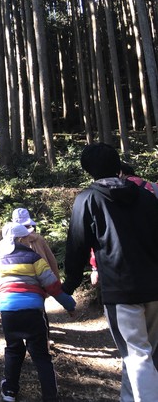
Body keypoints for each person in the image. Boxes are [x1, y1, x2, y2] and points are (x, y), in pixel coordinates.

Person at [63, 142, 158, 401]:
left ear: (88, 170)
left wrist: (68, 285)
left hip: (120, 289)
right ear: (117, 165)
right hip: (154, 287)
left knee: (136, 354)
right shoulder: (148, 197)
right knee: (145, 355)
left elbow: (77, 244)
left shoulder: (88, 199)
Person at [0, 222, 76, 402]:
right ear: (20, 239)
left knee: (13, 350)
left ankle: (9, 392)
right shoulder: (34, 259)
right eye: (26, 238)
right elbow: (53, 286)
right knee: (41, 354)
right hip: (34, 311)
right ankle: (50, 396)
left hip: (9, 312)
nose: (28, 240)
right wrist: (70, 305)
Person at [11, 208, 59, 279]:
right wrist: (56, 281)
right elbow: (51, 260)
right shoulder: (39, 238)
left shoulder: (11, 241)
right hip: (44, 279)